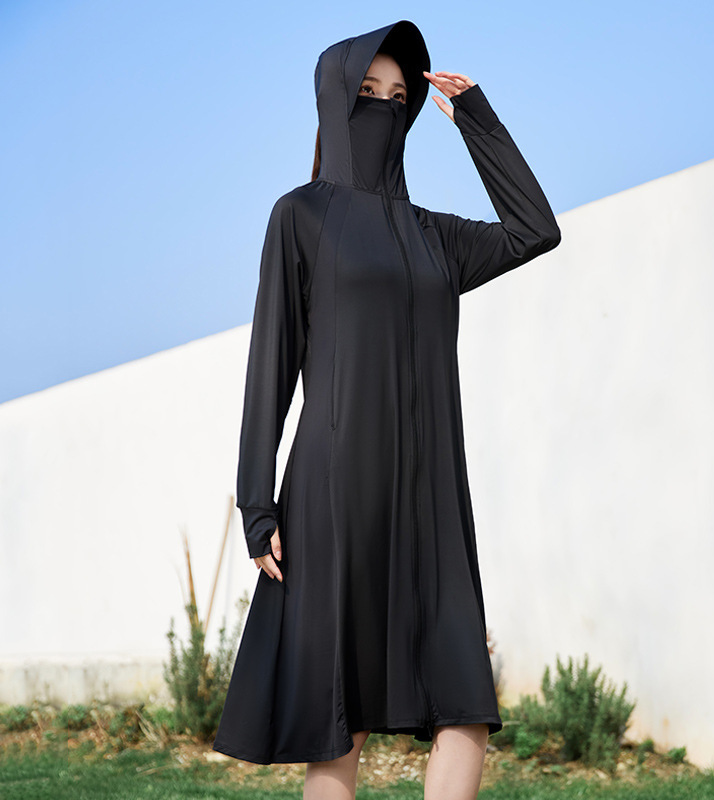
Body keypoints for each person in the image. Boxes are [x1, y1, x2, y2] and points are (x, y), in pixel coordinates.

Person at [212, 19, 561, 800]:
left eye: (397, 97)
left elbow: (535, 230)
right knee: (343, 722)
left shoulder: (436, 237)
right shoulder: (300, 216)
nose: (383, 105)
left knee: (464, 706)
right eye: (367, 90)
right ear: (335, 100)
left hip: (433, 499)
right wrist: (256, 504)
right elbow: (270, 363)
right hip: (336, 494)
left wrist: (477, 121)